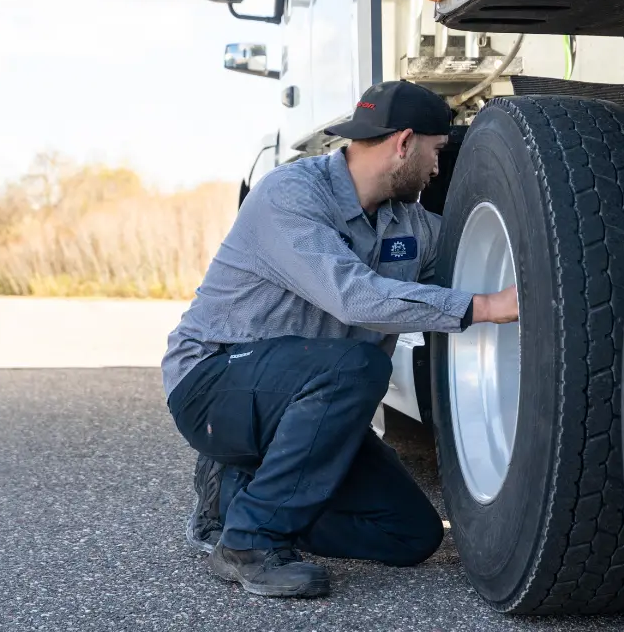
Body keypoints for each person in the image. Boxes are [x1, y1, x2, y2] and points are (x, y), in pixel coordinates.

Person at [161, 80, 519, 599]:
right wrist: (485, 308)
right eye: (436, 153)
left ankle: (245, 499)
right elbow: (353, 298)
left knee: (411, 535)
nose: (438, 170)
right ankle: (250, 541)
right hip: (213, 383)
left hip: (308, 395)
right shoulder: (291, 196)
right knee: (357, 366)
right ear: (403, 144)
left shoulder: (408, 223)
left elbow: (465, 265)